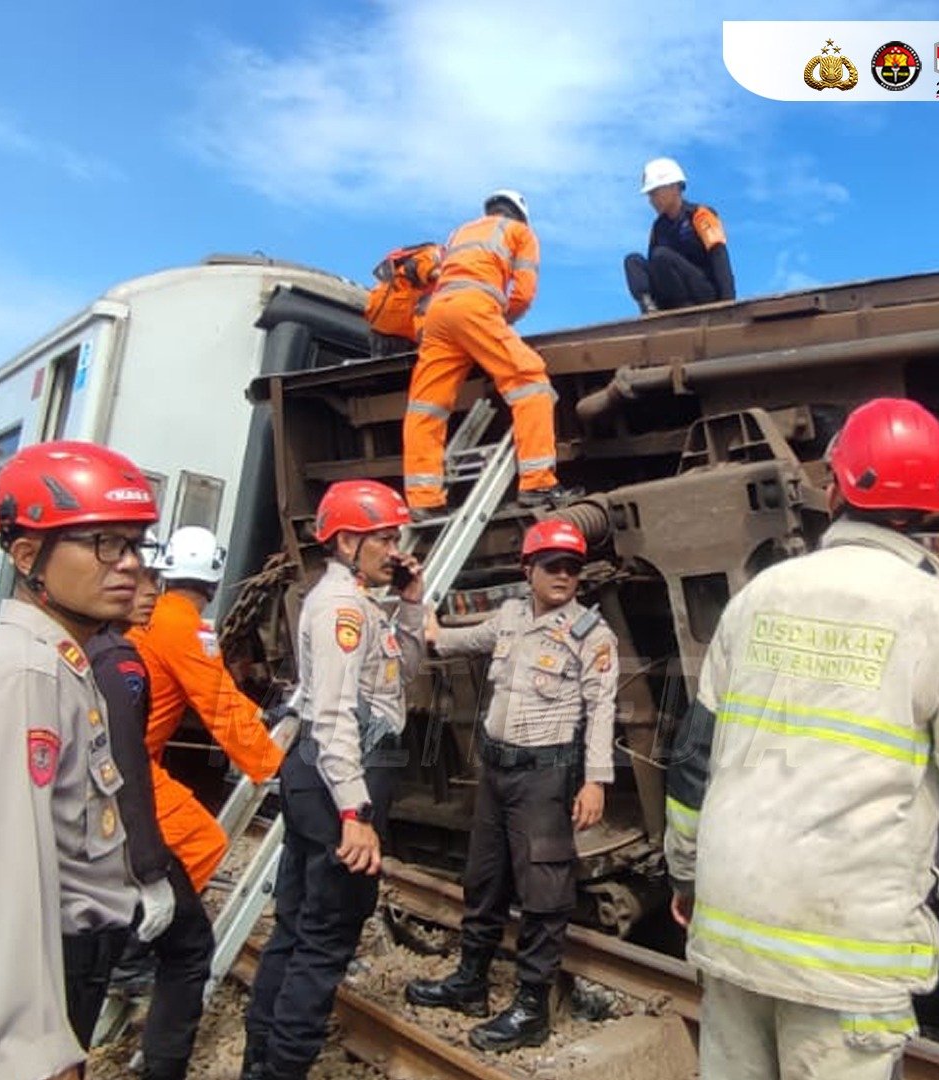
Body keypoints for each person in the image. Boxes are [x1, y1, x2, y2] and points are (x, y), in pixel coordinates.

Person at [664, 398, 939, 1079]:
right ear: (936, 502)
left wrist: (688, 881)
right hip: (845, 956)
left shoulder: (757, 599)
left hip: (731, 930)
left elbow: (694, 766)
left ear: (836, 487)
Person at [0, 440, 158, 1080]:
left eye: (133, 544)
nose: (128, 564)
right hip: (43, 974)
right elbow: (1, 872)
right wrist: (31, 1047)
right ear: (28, 556)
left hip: (75, 965)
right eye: (103, 542)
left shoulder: (65, 665)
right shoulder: (24, 674)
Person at [405, 519, 618, 1052]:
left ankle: (530, 1008)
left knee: (544, 892)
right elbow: (443, 640)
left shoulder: (593, 636)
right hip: (497, 774)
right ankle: (470, 983)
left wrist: (594, 782)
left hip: (546, 777)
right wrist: (415, 603)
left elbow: (602, 711)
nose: (564, 576)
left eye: (571, 567)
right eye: (552, 566)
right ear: (529, 571)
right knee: (484, 880)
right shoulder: (510, 618)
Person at [242, 480, 425, 1079]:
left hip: (320, 776)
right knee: (324, 940)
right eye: (384, 538)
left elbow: (403, 679)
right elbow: (335, 714)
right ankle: (281, 1069)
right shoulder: (344, 609)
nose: (394, 549)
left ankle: (259, 1063)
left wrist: (413, 603)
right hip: (337, 778)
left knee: (296, 925)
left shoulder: (360, 602)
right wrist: (356, 812)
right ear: (347, 540)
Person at [86, 534, 214, 1080]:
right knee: (186, 939)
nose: (145, 593)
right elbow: (125, 769)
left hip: (88, 833)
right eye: (135, 582)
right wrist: (149, 871)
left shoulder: (90, 648)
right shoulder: (119, 660)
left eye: (152, 581)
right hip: (107, 831)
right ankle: (134, 960)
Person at [128, 525, 284, 893]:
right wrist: (274, 763)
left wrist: (261, 716)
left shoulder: (155, 619)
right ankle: (151, 929)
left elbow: (215, 689)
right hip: (131, 764)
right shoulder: (185, 628)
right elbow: (218, 703)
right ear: (214, 583)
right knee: (202, 842)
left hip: (120, 754)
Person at [402, 189, 575, 519]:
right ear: (520, 215)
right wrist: (501, 320)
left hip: (438, 315)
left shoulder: (461, 231)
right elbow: (523, 294)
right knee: (530, 379)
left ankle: (423, 498)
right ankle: (537, 483)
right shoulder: (520, 232)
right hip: (475, 308)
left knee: (427, 406)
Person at [623, 157, 735, 314]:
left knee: (661, 255)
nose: (651, 201)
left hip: (702, 294)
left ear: (674, 188)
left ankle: (684, 308)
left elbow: (719, 257)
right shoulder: (658, 228)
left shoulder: (701, 215)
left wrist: (728, 305)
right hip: (671, 297)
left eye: (654, 193)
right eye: (650, 195)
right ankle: (650, 309)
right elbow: (655, 268)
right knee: (633, 260)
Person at [364, 241, 442, 357]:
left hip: (381, 323)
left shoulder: (413, 255)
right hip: (400, 327)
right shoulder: (432, 253)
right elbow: (430, 271)